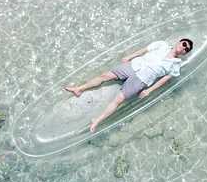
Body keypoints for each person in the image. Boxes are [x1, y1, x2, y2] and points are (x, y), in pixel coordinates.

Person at [64, 37, 194, 133]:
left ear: (185, 53)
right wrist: (129, 56)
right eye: (184, 44)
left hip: (142, 79)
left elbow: (164, 79)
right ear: (179, 42)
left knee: (118, 100)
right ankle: (79, 89)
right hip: (134, 65)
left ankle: (97, 120)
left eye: (186, 49)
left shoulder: (176, 65)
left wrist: (149, 90)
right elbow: (144, 50)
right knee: (105, 76)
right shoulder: (162, 45)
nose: (183, 48)